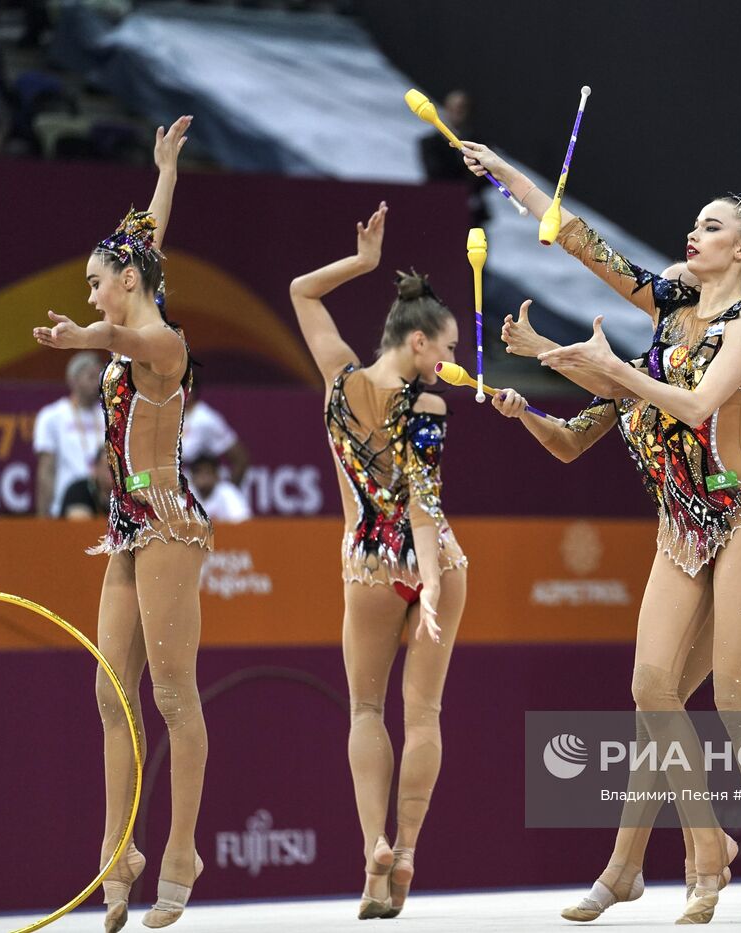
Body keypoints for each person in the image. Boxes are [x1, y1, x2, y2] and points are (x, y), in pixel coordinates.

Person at [463, 139, 741, 925]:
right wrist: (508, 176)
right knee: (653, 689)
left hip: (740, 515)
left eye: (709, 227)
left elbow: (695, 406)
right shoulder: (669, 309)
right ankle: (698, 848)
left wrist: (606, 368)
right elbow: (585, 244)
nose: (693, 234)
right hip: (678, 526)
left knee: (734, 691)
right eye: (693, 225)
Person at [33, 114, 212, 931]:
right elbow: (146, 236)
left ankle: (181, 851)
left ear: (126, 285)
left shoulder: (163, 343)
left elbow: (122, 325)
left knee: (174, 695)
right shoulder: (133, 301)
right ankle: (119, 851)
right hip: (125, 521)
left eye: (96, 281)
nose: (91, 292)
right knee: (111, 693)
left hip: (168, 518)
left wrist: (87, 331)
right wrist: (165, 171)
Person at [290, 202, 468, 920]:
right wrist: (426, 583)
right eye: (446, 350)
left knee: (366, 709)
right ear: (418, 341)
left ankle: (374, 850)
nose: (449, 363)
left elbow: (302, 291)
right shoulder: (428, 405)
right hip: (435, 564)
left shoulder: (338, 381)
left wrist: (360, 264)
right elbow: (423, 504)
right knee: (421, 715)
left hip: (367, 563)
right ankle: (410, 856)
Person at [34, 351, 105, 517]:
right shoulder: (52, 416)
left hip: (106, 504)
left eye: (100, 377)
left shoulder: (110, 415)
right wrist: (43, 516)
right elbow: (46, 470)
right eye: (91, 376)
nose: (97, 383)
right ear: (73, 380)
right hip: (67, 505)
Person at [417, 90, 491, 229]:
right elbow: (434, 174)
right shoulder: (430, 143)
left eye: (461, 108)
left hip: (472, 214)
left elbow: (489, 175)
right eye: (452, 108)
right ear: (445, 109)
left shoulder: (481, 144)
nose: (457, 113)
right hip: (440, 210)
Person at [181, 381, 250, 484]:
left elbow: (240, 459)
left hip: (200, 492)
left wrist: (227, 491)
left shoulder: (206, 419)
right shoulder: (170, 416)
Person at [188, 454, 251, 524]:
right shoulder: (184, 494)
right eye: (198, 473)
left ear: (216, 476)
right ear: (192, 477)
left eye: (207, 473)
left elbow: (242, 522)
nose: (203, 477)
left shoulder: (228, 492)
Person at [60, 446, 113, 519]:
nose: (114, 473)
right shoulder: (78, 491)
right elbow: (78, 522)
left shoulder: (126, 494)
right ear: (96, 468)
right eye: (108, 468)